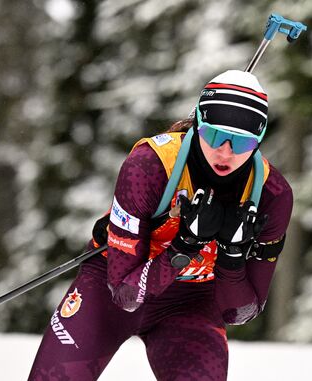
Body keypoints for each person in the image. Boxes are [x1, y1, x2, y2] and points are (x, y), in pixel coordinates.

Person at [28, 70, 293, 380]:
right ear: (197, 122)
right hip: (107, 291)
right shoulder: (150, 166)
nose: (225, 151)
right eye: (214, 135)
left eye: (242, 141)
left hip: (190, 303)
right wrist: (185, 246)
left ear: (259, 139)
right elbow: (125, 295)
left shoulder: (272, 195)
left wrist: (232, 258)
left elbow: (239, 312)